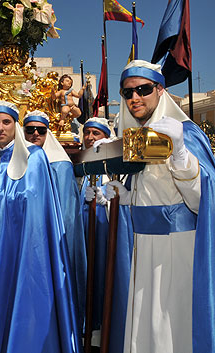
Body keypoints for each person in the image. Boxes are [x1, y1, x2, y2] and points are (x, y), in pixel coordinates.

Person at [111, 60, 215, 353]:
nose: (135, 98)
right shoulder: (138, 136)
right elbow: (153, 189)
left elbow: (202, 199)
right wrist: (127, 195)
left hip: (176, 248)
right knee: (145, 327)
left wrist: (180, 152)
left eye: (143, 90)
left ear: (160, 90)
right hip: (143, 246)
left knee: (171, 328)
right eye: (128, 92)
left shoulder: (186, 132)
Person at [0, 100, 81, 353]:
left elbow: (31, 198)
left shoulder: (33, 156)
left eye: (7, 122)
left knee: (22, 310)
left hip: (23, 249)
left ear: (16, 126)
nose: (1, 128)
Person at [23, 110, 86, 332]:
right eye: (30, 130)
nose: (35, 134)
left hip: (52, 241)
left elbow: (68, 213)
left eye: (40, 130)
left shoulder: (61, 164)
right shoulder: (17, 160)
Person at [78, 117, 134, 353]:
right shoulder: (82, 166)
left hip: (107, 239)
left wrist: (107, 202)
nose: (90, 138)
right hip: (86, 239)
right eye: (87, 133)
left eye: (96, 133)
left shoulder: (113, 164)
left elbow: (126, 205)